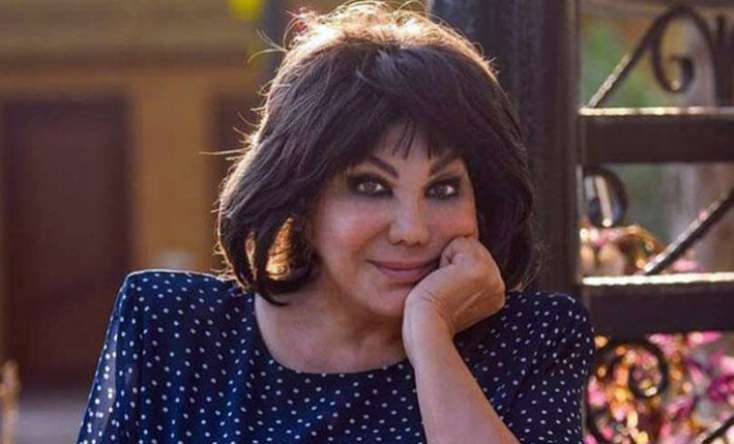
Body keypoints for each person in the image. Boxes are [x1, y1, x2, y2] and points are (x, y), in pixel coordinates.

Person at [77, 2, 595, 443]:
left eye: (442, 189)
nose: (412, 230)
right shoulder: (171, 325)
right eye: (370, 186)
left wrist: (430, 335)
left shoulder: (534, 340)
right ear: (301, 196)